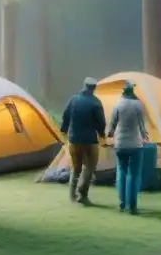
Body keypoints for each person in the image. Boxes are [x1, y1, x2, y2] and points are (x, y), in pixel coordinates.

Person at [60, 76, 107, 206]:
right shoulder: (95, 102)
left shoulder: (73, 100)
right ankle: (82, 194)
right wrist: (102, 134)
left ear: (84, 86)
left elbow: (65, 116)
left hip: (74, 140)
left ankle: (71, 195)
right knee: (89, 167)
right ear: (94, 88)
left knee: (75, 168)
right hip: (90, 141)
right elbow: (101, 122)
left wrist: (64, 130)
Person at [108, 81, 149, 215]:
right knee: (134, 175)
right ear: (133, 91)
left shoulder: (118, 104)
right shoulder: (138, 105)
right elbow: (142, 126)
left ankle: (122, 204)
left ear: (123, 92)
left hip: (120, 145)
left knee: (121, 173)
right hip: (135, 145)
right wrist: (145, 136)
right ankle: (132, 207)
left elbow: (112, 125)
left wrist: (110, 134)